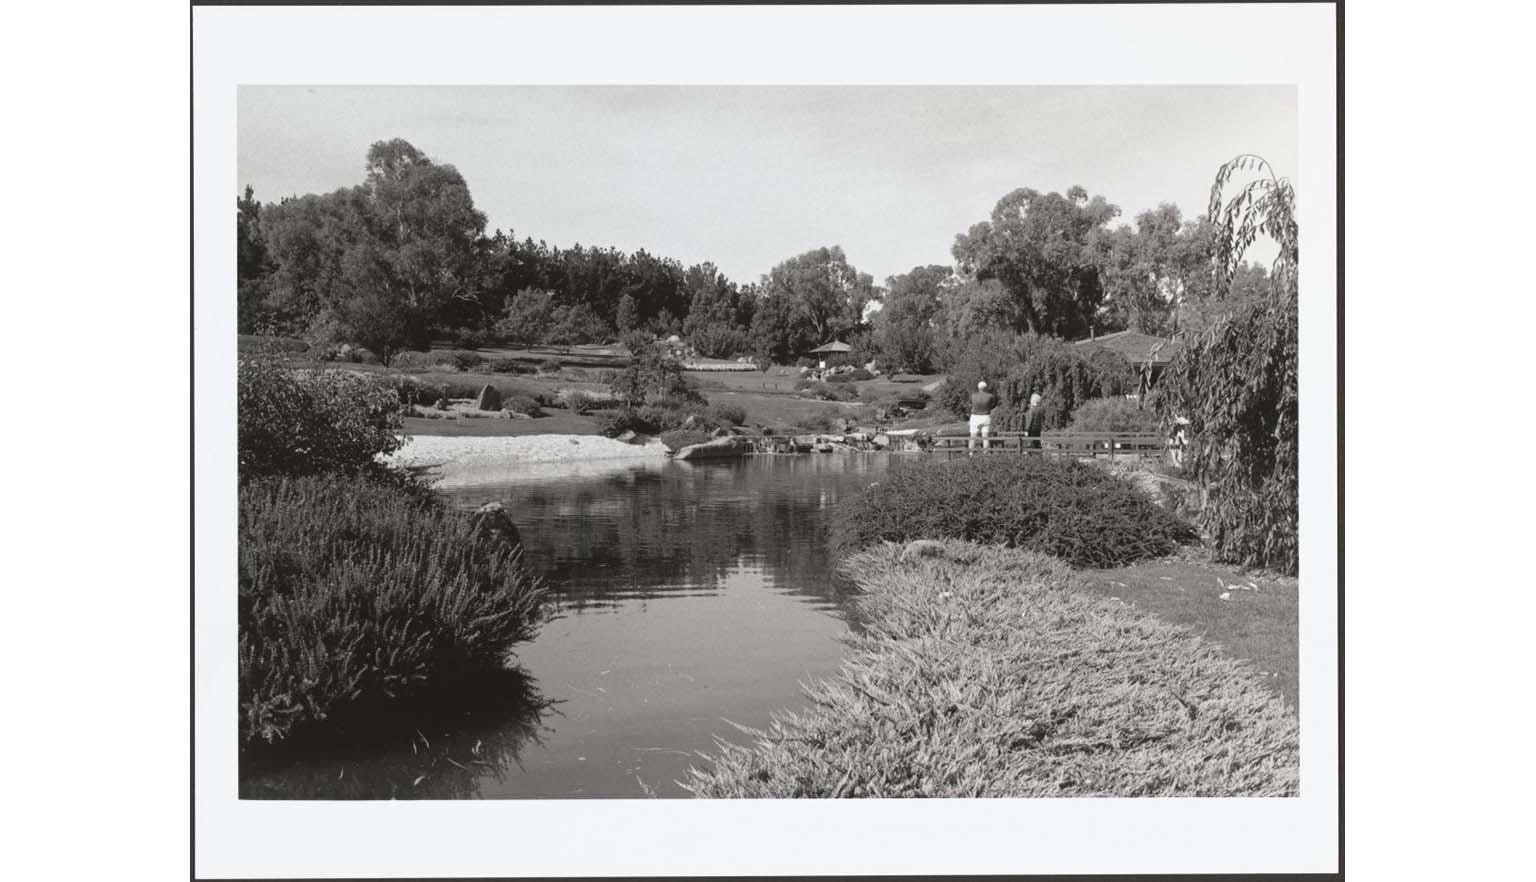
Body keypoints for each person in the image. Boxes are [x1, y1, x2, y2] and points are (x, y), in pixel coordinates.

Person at [968, 380, 997, 452]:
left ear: (978, 388)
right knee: (985, 437)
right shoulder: (990, 396)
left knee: (972, 437)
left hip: (975, 417)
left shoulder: (973, 396)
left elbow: (970, 404)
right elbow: (993, 405)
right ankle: (985, 454)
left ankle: (971, 453)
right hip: (985, 416)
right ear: (986, 388)